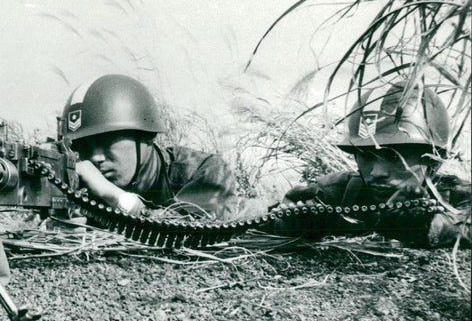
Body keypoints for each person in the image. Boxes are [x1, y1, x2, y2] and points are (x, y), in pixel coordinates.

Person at [268, 81, 470, 248]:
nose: (376, 172)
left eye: (393, 157)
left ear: (432, 159)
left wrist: (424, 225)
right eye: (366, 156)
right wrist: (295, 222)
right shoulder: (336, 192)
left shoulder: (457, 196)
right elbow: (266, 224)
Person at [59, 74, 237, 219]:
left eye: (106, 142)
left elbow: (191, 233)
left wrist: (114, 197)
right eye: (84, 147)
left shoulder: (205, 171)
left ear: (147, 137)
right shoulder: (86, 190)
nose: (95, 157)